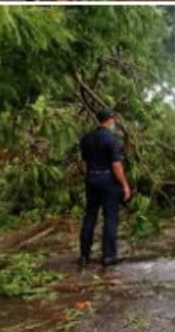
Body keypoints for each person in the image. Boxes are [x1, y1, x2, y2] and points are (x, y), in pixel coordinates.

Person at [79, 108, 131, 267]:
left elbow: (86, 164)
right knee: (110, 217)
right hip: (107, 179)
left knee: (90, 216)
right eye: (113, 119)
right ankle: (109, 256)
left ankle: (84, 255)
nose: (114, 122)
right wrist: (125, 185)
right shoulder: (111, 139)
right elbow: (116, 165)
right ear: (109, 120)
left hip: (91, 179)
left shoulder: (86, 139)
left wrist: (89, 178)